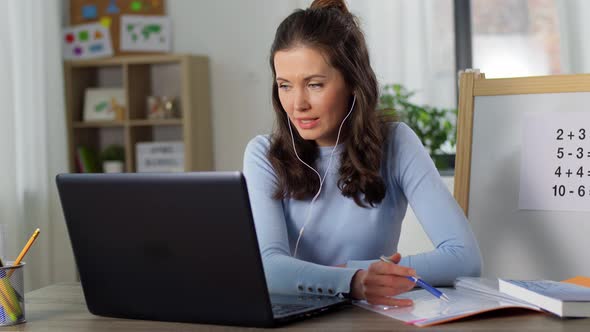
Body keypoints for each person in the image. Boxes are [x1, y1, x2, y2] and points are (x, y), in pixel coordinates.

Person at [243, 0, 482, 307]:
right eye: (285, 85)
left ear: (354, 83)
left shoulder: (397, 143)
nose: (297, 104)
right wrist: (353, 281)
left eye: (314, 84)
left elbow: (465, 257)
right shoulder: (263, 154)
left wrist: (361, 273)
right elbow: (268, 268)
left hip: (370, 319)